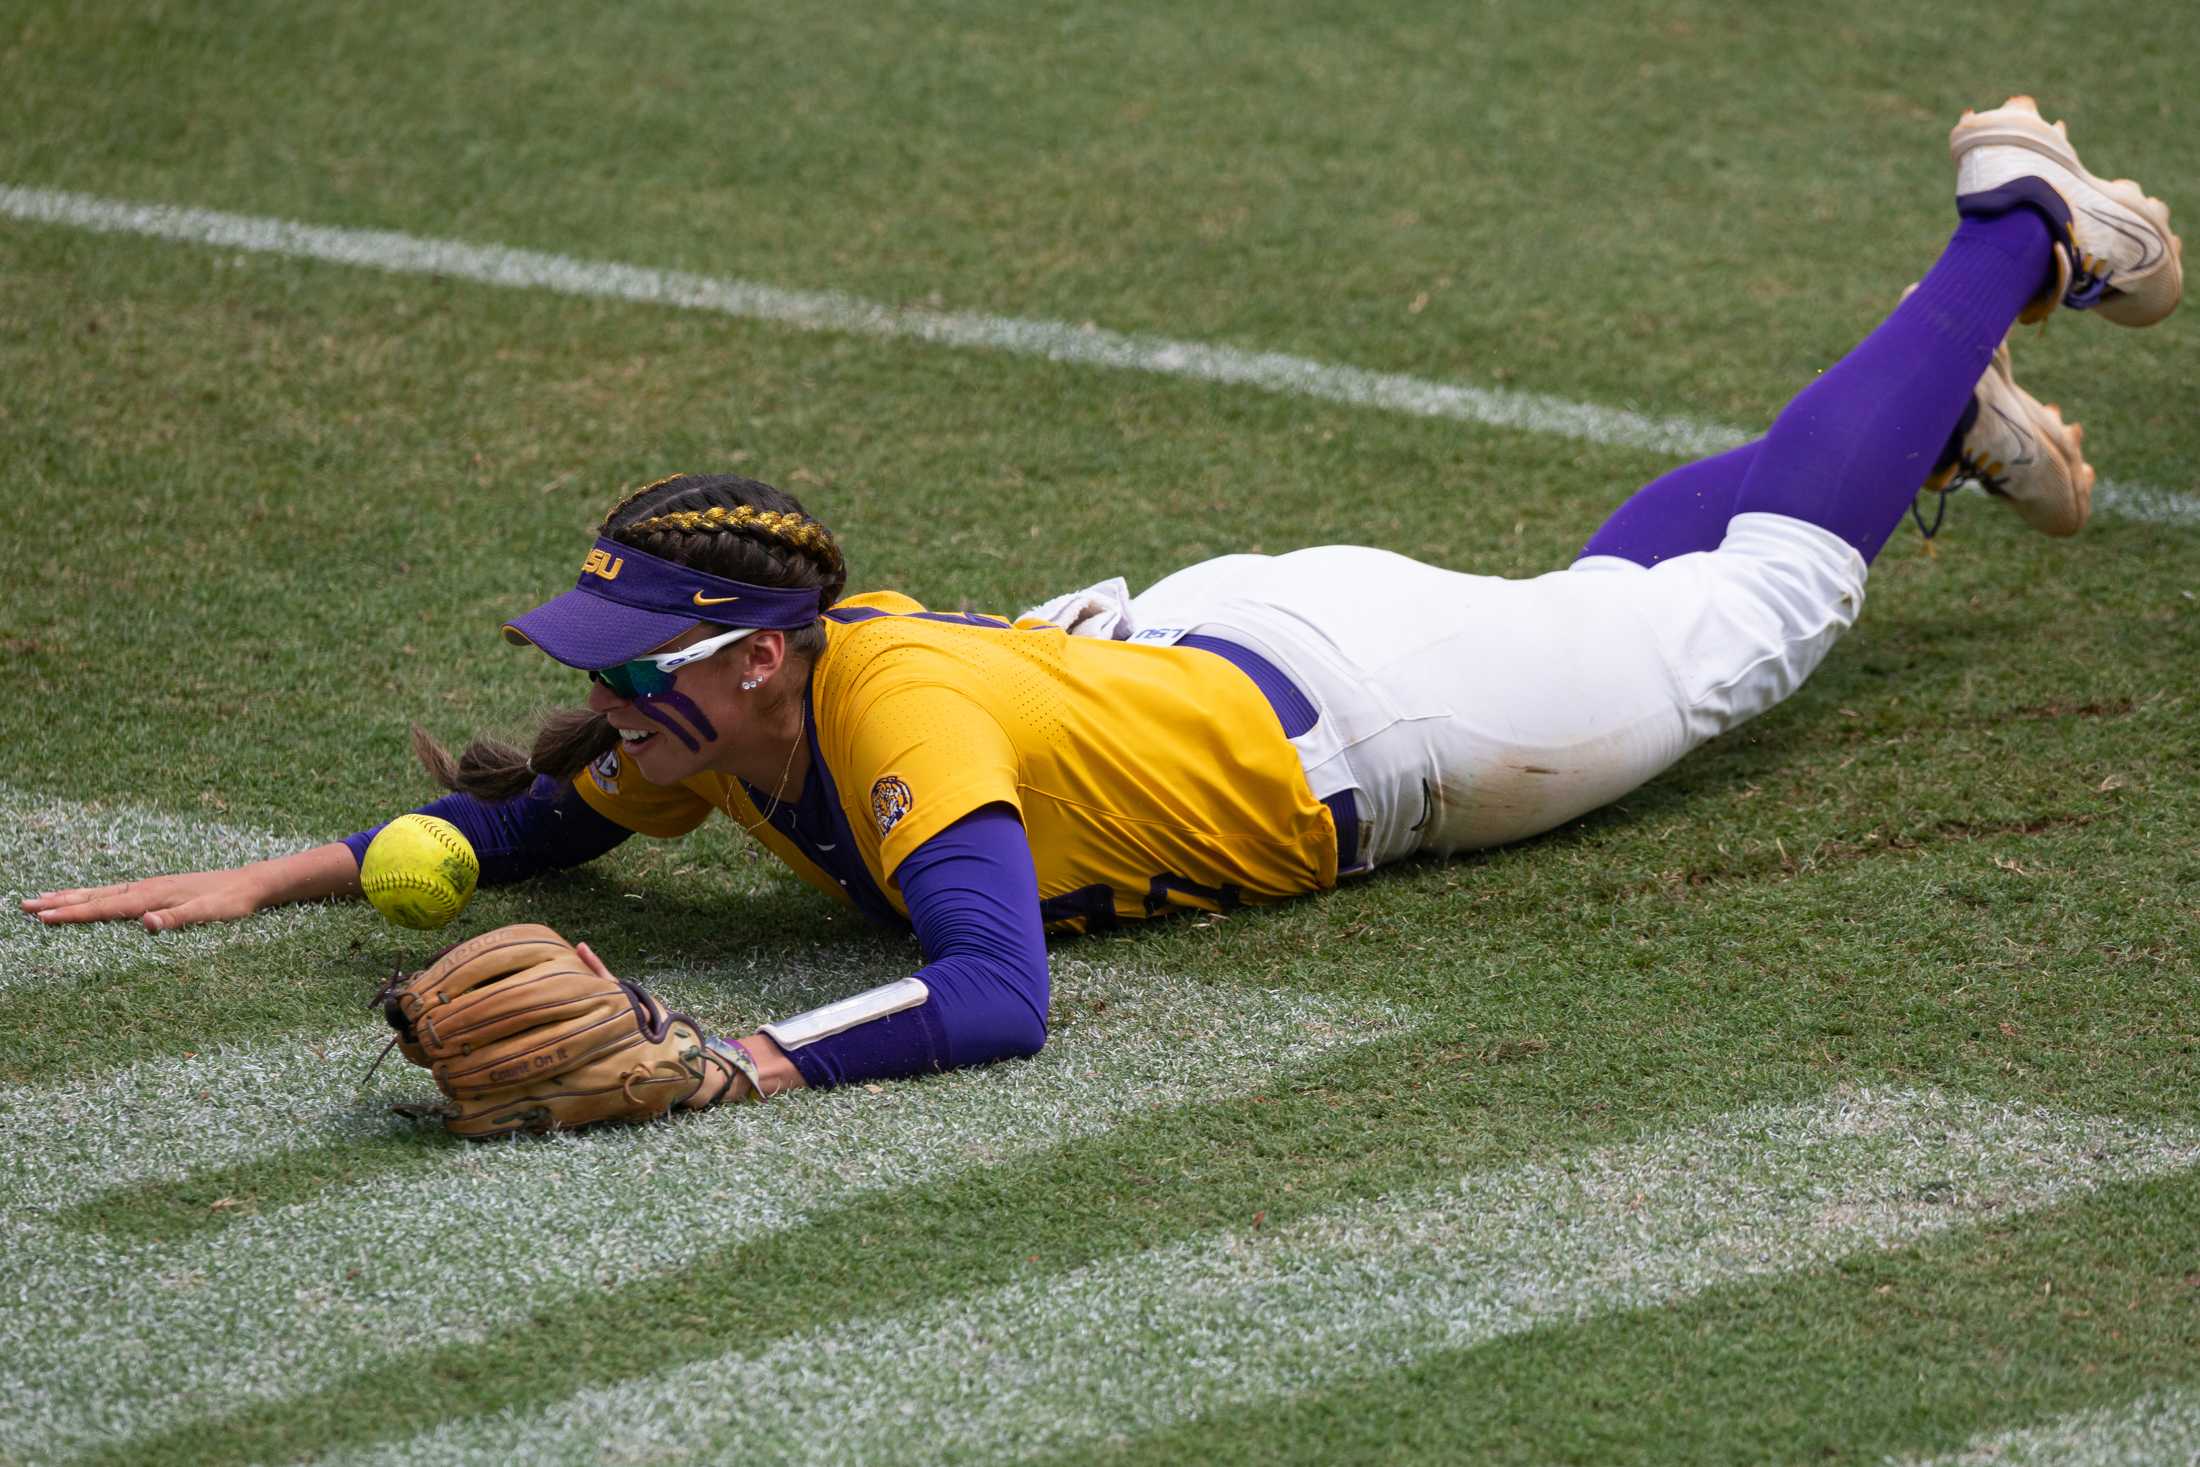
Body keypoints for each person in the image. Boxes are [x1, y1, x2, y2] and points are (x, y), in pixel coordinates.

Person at [23, 96, 2181, 1114]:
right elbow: (561, 817)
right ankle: (1928, 420)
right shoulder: (746, 716)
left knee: (1742, 616)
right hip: (1229, 641)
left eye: (642, 677)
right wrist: (282, 872)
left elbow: (992, 995)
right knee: (1621, 580)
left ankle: (2005, 232)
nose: (619, 716)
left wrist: (732, 1057)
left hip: (1403, 726)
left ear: (757, 653)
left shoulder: (885, 731)